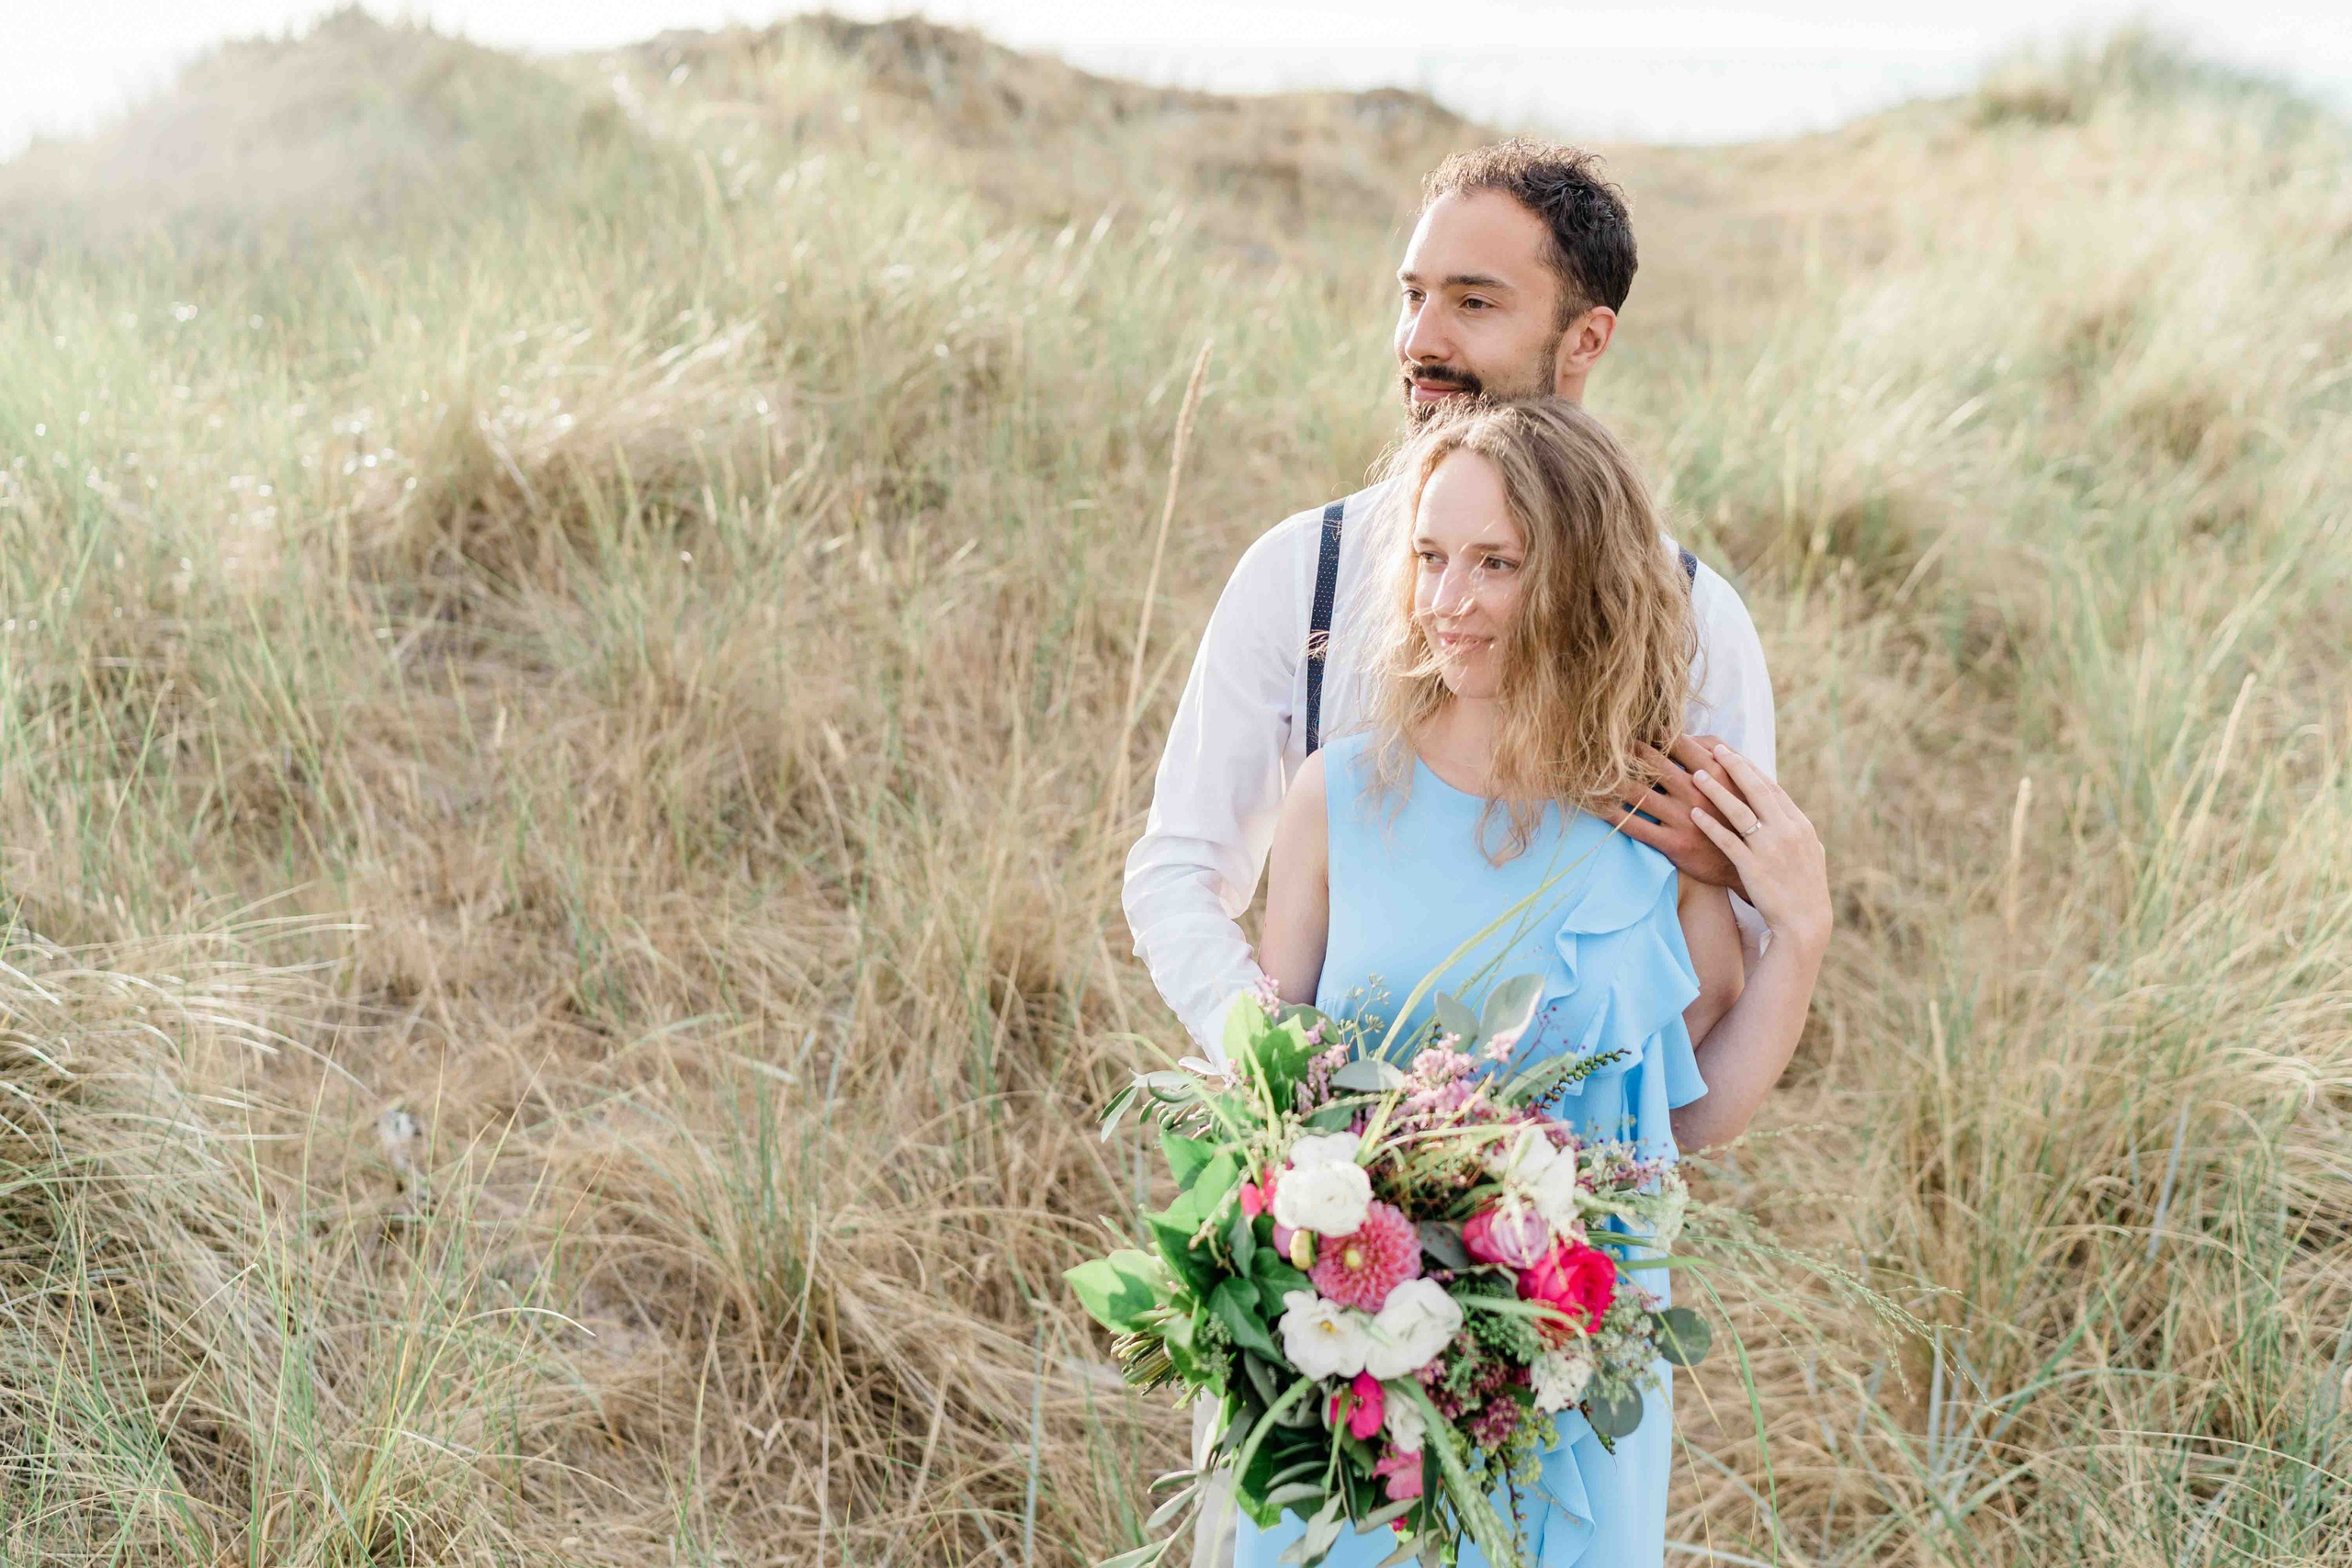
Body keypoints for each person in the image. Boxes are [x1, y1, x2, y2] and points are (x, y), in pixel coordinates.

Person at [1236, 400, 1831, 1564]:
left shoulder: (1653, 824)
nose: (1448, 600)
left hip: (1566, 1382)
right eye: (1430, 557)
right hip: (1357, 1381)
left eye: (1496, 565)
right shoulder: (1337, 797)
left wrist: (1800, 932)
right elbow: (1272, 1091)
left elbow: (1693, 1116)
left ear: (1579, 581)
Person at [1123, 139, 1779, 1066]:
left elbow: (1741, 949)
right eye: (1413, 296)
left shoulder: (1692, 615)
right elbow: (1180, 869)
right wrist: (1278, 1070)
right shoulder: (1302, 571)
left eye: (1473, 302)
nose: (1421, 341)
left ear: (1587, 338)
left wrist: (1720, 872)